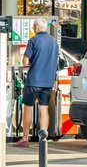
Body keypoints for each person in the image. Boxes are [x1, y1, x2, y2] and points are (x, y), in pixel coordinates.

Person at [15, 20, 58, 148]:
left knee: (28, 107)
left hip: (34, 80)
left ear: (37, 27)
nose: (33, 28)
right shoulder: (53, 42)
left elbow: (25, 61)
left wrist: (29, 63)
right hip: (48, 81)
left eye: (34, 26)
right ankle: (42, 139)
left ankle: (24, 139)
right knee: (43, 108)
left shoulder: (33, 41)